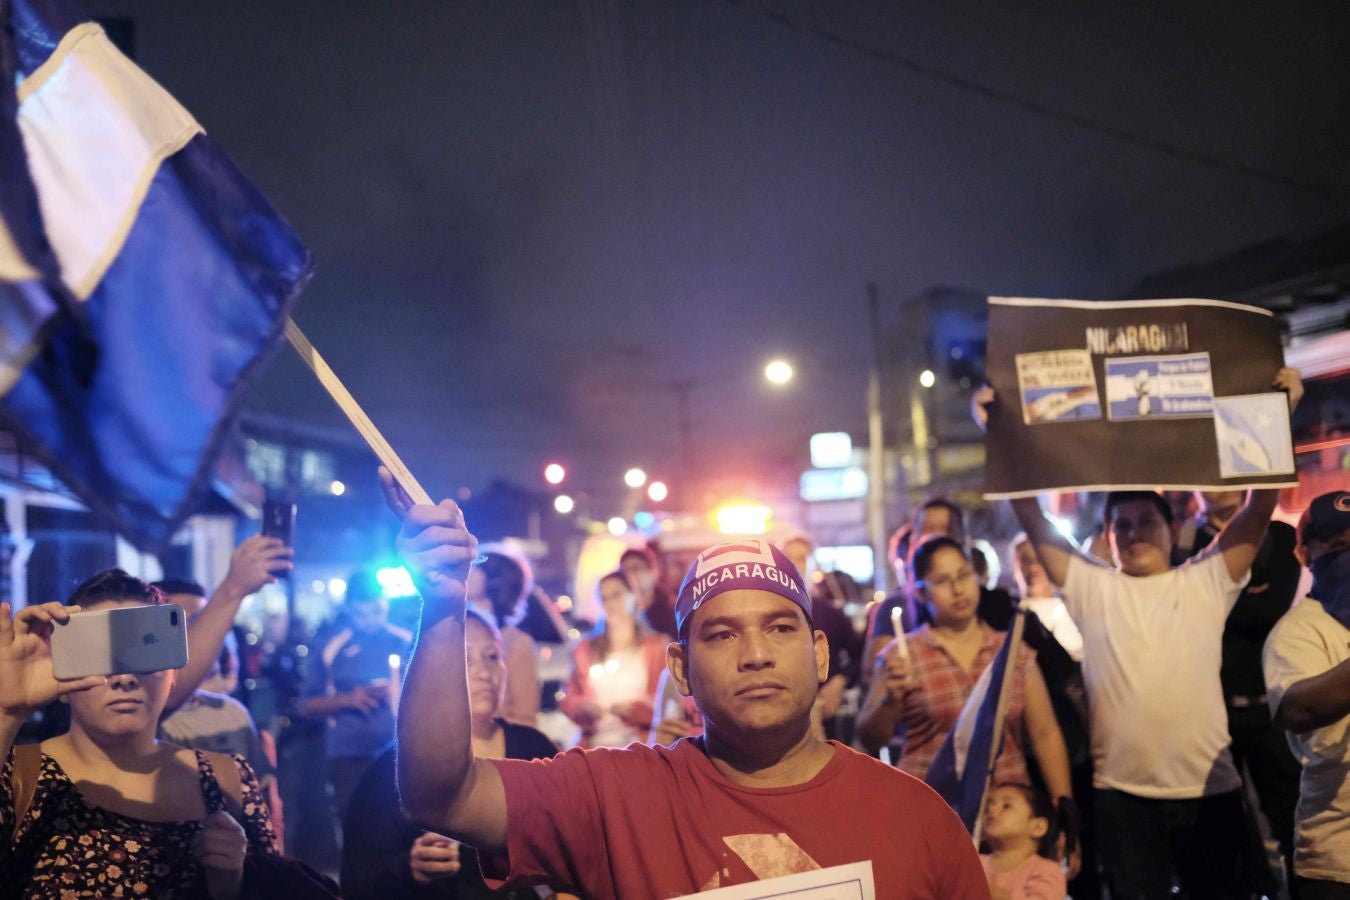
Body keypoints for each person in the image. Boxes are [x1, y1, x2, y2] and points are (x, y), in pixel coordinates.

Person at [381, 469, 989, 898]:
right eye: (721, 635)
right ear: (680, 669)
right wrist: (441, 605)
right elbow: (441, 794)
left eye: (779, 628)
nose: (755, 655)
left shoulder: (917, 819)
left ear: (821, 652)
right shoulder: (614, 797)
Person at [978, 367, 1301, 898]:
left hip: (1210, 788)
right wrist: (1000, 428)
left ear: (1172, 529)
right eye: (1120, 525)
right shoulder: (1091, 587)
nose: (1133, 533)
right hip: (1121, 798)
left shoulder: (1207, 578)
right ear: (1106, 537)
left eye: (1145, 521)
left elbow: (1258, 504)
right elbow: (1029, 513)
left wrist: (1278, 417)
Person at [1, 571, 277, 898]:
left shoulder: (228, 781)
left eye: (144, 650)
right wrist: (7, 711)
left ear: (174, 673)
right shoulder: (16, 776)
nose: (125, 677)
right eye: (100, 656)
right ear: (63, 670)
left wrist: (230, 885)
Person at [340, 609, 566, 899]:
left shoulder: (534, 749)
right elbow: (357, 880)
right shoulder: (392, 769)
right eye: (465, 660)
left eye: (492, 657)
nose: (484, 673)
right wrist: (410, 869)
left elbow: (577, 844)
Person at [855, 537, 1074, 814]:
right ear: (921, 593)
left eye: (964, 575)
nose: (958, 589)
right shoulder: (902, 655)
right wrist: (890, 698)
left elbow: (1045, 733)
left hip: (1006, 816)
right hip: (930, 809)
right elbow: (871, 737)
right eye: (943, 581)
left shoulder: (1012, 652)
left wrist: (1063, 803)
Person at [1175, 489, 1302, 889]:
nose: (1220, 484)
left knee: (1291, 820)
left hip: (1271, 706)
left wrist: (1221, 604)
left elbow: (1273, 607)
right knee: (1224, 828)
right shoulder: (1182, 543)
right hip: (1212, 709)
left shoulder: (1280, 536)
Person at [1263, 489, 1350, 897]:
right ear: (1304, 555)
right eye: (1337, 544)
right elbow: (1299, 709)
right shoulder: (1298, 632)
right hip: (1337, 866)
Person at [297, 571, 412, 825]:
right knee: (355, 826)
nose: (372, 620)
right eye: (363, 614)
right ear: (349, 609)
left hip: (402, 751)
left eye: (377, 611)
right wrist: (350, 699)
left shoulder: (405, 640)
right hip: (349, 755)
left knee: (401, 826)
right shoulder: (332, 646)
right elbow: (305, 705)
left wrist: (396, 689)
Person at [559, 570, 667, 748]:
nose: (610, 604)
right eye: (604, 598)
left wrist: (635, 709)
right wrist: (583, 707)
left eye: (616, 595)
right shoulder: (585, 650)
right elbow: (567, 698)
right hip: (595, 745)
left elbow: (668, 702)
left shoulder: (656, 648)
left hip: (640, 744)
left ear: (634, 596)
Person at [466, 552, 540, 726]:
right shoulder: (456, 634)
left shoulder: (515, 642)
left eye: (475, 566)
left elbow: (526, 716)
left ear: (495, 577)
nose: (466, 571)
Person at [980, 783, 1067, 900]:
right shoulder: (974, 862)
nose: (991, 809)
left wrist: (998, 895)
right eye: (988, 806)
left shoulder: (1046, 871)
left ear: (1038, 827)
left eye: (1006, 806)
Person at [619, 545, 677, 638]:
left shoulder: (672, 610)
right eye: (624, 571)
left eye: (636, 568)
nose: (630, 575)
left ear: (653, 572)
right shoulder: (624, 609)